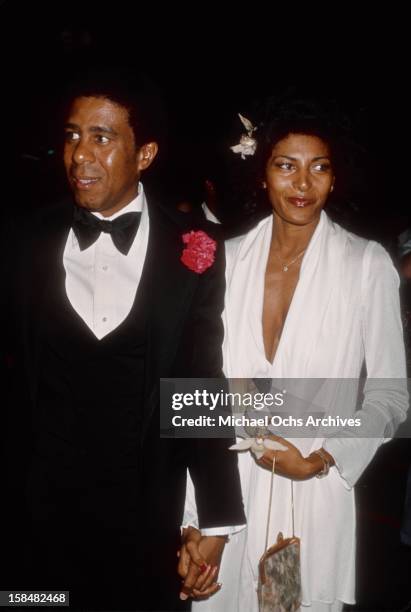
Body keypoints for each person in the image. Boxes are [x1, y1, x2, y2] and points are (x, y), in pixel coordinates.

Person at [1, 63, 245, 611]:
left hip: (147, 529)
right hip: (34, 530)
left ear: (146, 155)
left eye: (102, 137)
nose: (80, 154)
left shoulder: (196, 247)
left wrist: (217, 518)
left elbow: (200, 382)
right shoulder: (20, 242)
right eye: (72, 136)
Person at [183, 98, 408, 611]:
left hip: (313, 487)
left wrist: (324, 458)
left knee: (294, 603)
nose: (303, 185)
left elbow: (391, 394)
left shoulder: (363, 263)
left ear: (335, 178)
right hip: (227, 489)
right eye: (286, 166)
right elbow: (203, 397)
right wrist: (196, 519)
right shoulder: (230, 259)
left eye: (319, 168)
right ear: (262, 174)